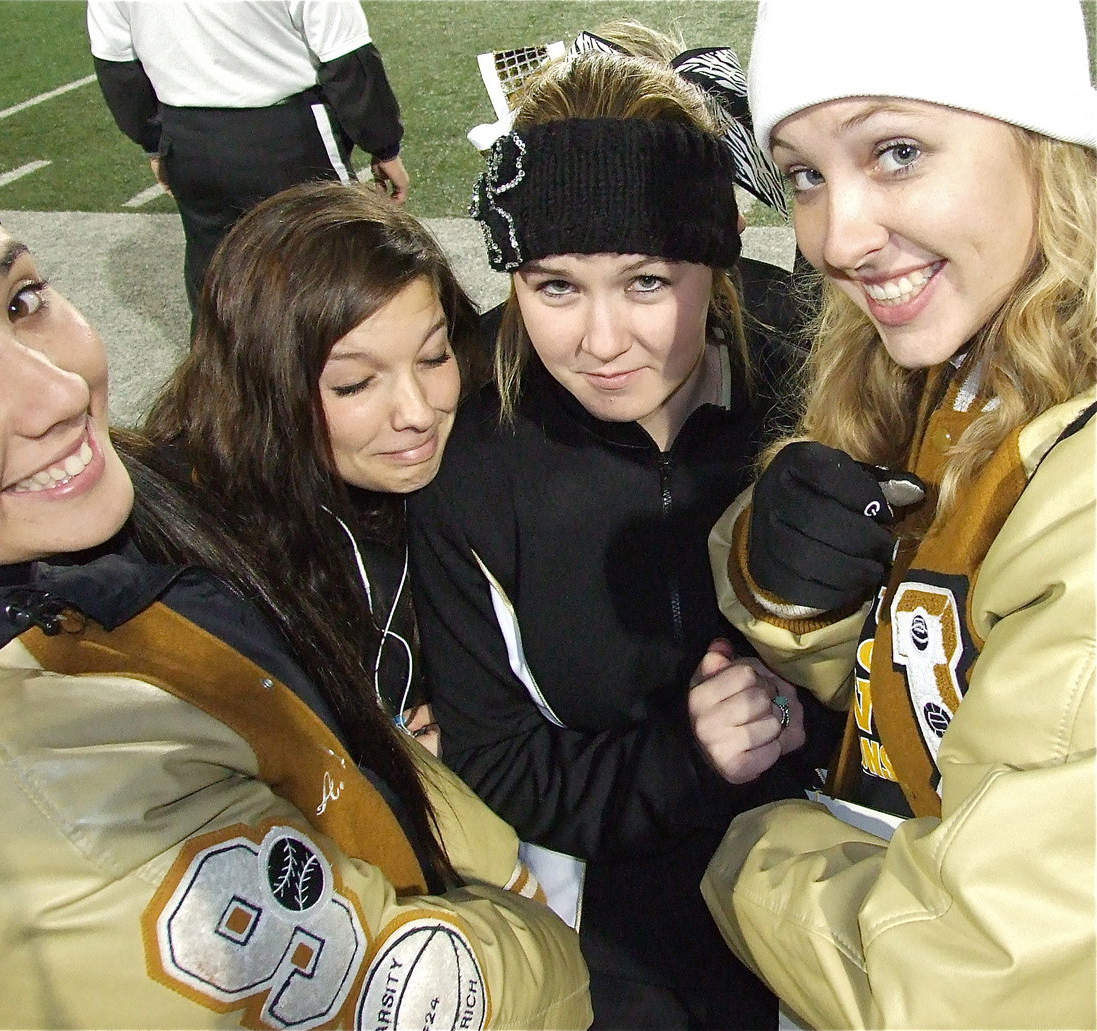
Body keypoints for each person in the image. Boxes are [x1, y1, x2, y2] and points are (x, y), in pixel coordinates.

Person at [0, 141, 592, 1030]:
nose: (57, 393)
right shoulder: (29, 770)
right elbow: (433, 996)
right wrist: (532, 915)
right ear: (267, 382)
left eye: (24, 300)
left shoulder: (94, 541)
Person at [406, 50, 832, 1030]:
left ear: (716, 252)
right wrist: (688, 761)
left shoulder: (818, 370)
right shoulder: (469, 458)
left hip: (842, 867)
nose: (601, 342)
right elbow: (498, 758)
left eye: (646, 281)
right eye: (554, 286)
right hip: (618, 911)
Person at [695, 1, 1096, 1027]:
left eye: (899, 150)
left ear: (1048, 140)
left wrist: (748, 847)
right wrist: (784, 587)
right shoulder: (979, 351)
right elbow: (942, 683)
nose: (834, 235)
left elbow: (954, 988)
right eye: (805, 173)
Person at [130, 179, 487, 757]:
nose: (419, 413)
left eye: (433, 356)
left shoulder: (470, 453)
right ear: (265, 387)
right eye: (354, 383)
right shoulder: (191, 563)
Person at [87, 0, 410, 311]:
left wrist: (154, 141)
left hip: (187, 139)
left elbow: (116, 63)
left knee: (216, 286)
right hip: (285, 137)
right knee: (328, 278)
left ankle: (220, 368)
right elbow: (346, 56)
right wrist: (384, 146)